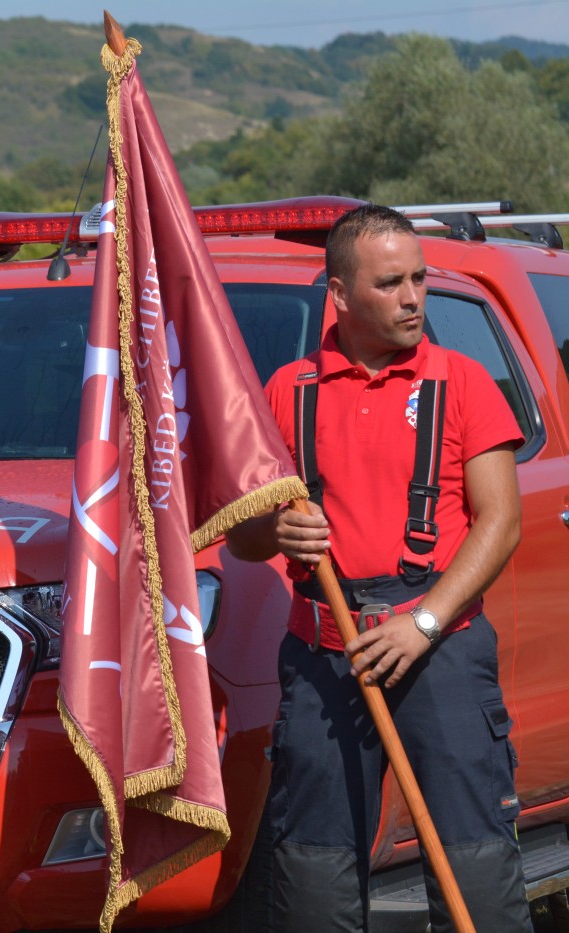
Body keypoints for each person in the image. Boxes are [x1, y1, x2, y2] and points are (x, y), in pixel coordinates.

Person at [227, 204, 530, 932]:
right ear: (339, 293)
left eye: (418, 279)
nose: (413, 297)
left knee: (478, 877)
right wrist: (277, 529)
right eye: (390, 283)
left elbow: (502, 523)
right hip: (323, 658)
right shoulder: (287, 390)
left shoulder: (464, 382)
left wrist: (421, 624)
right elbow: (244, 540)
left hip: (442, 647)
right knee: (311, 883)